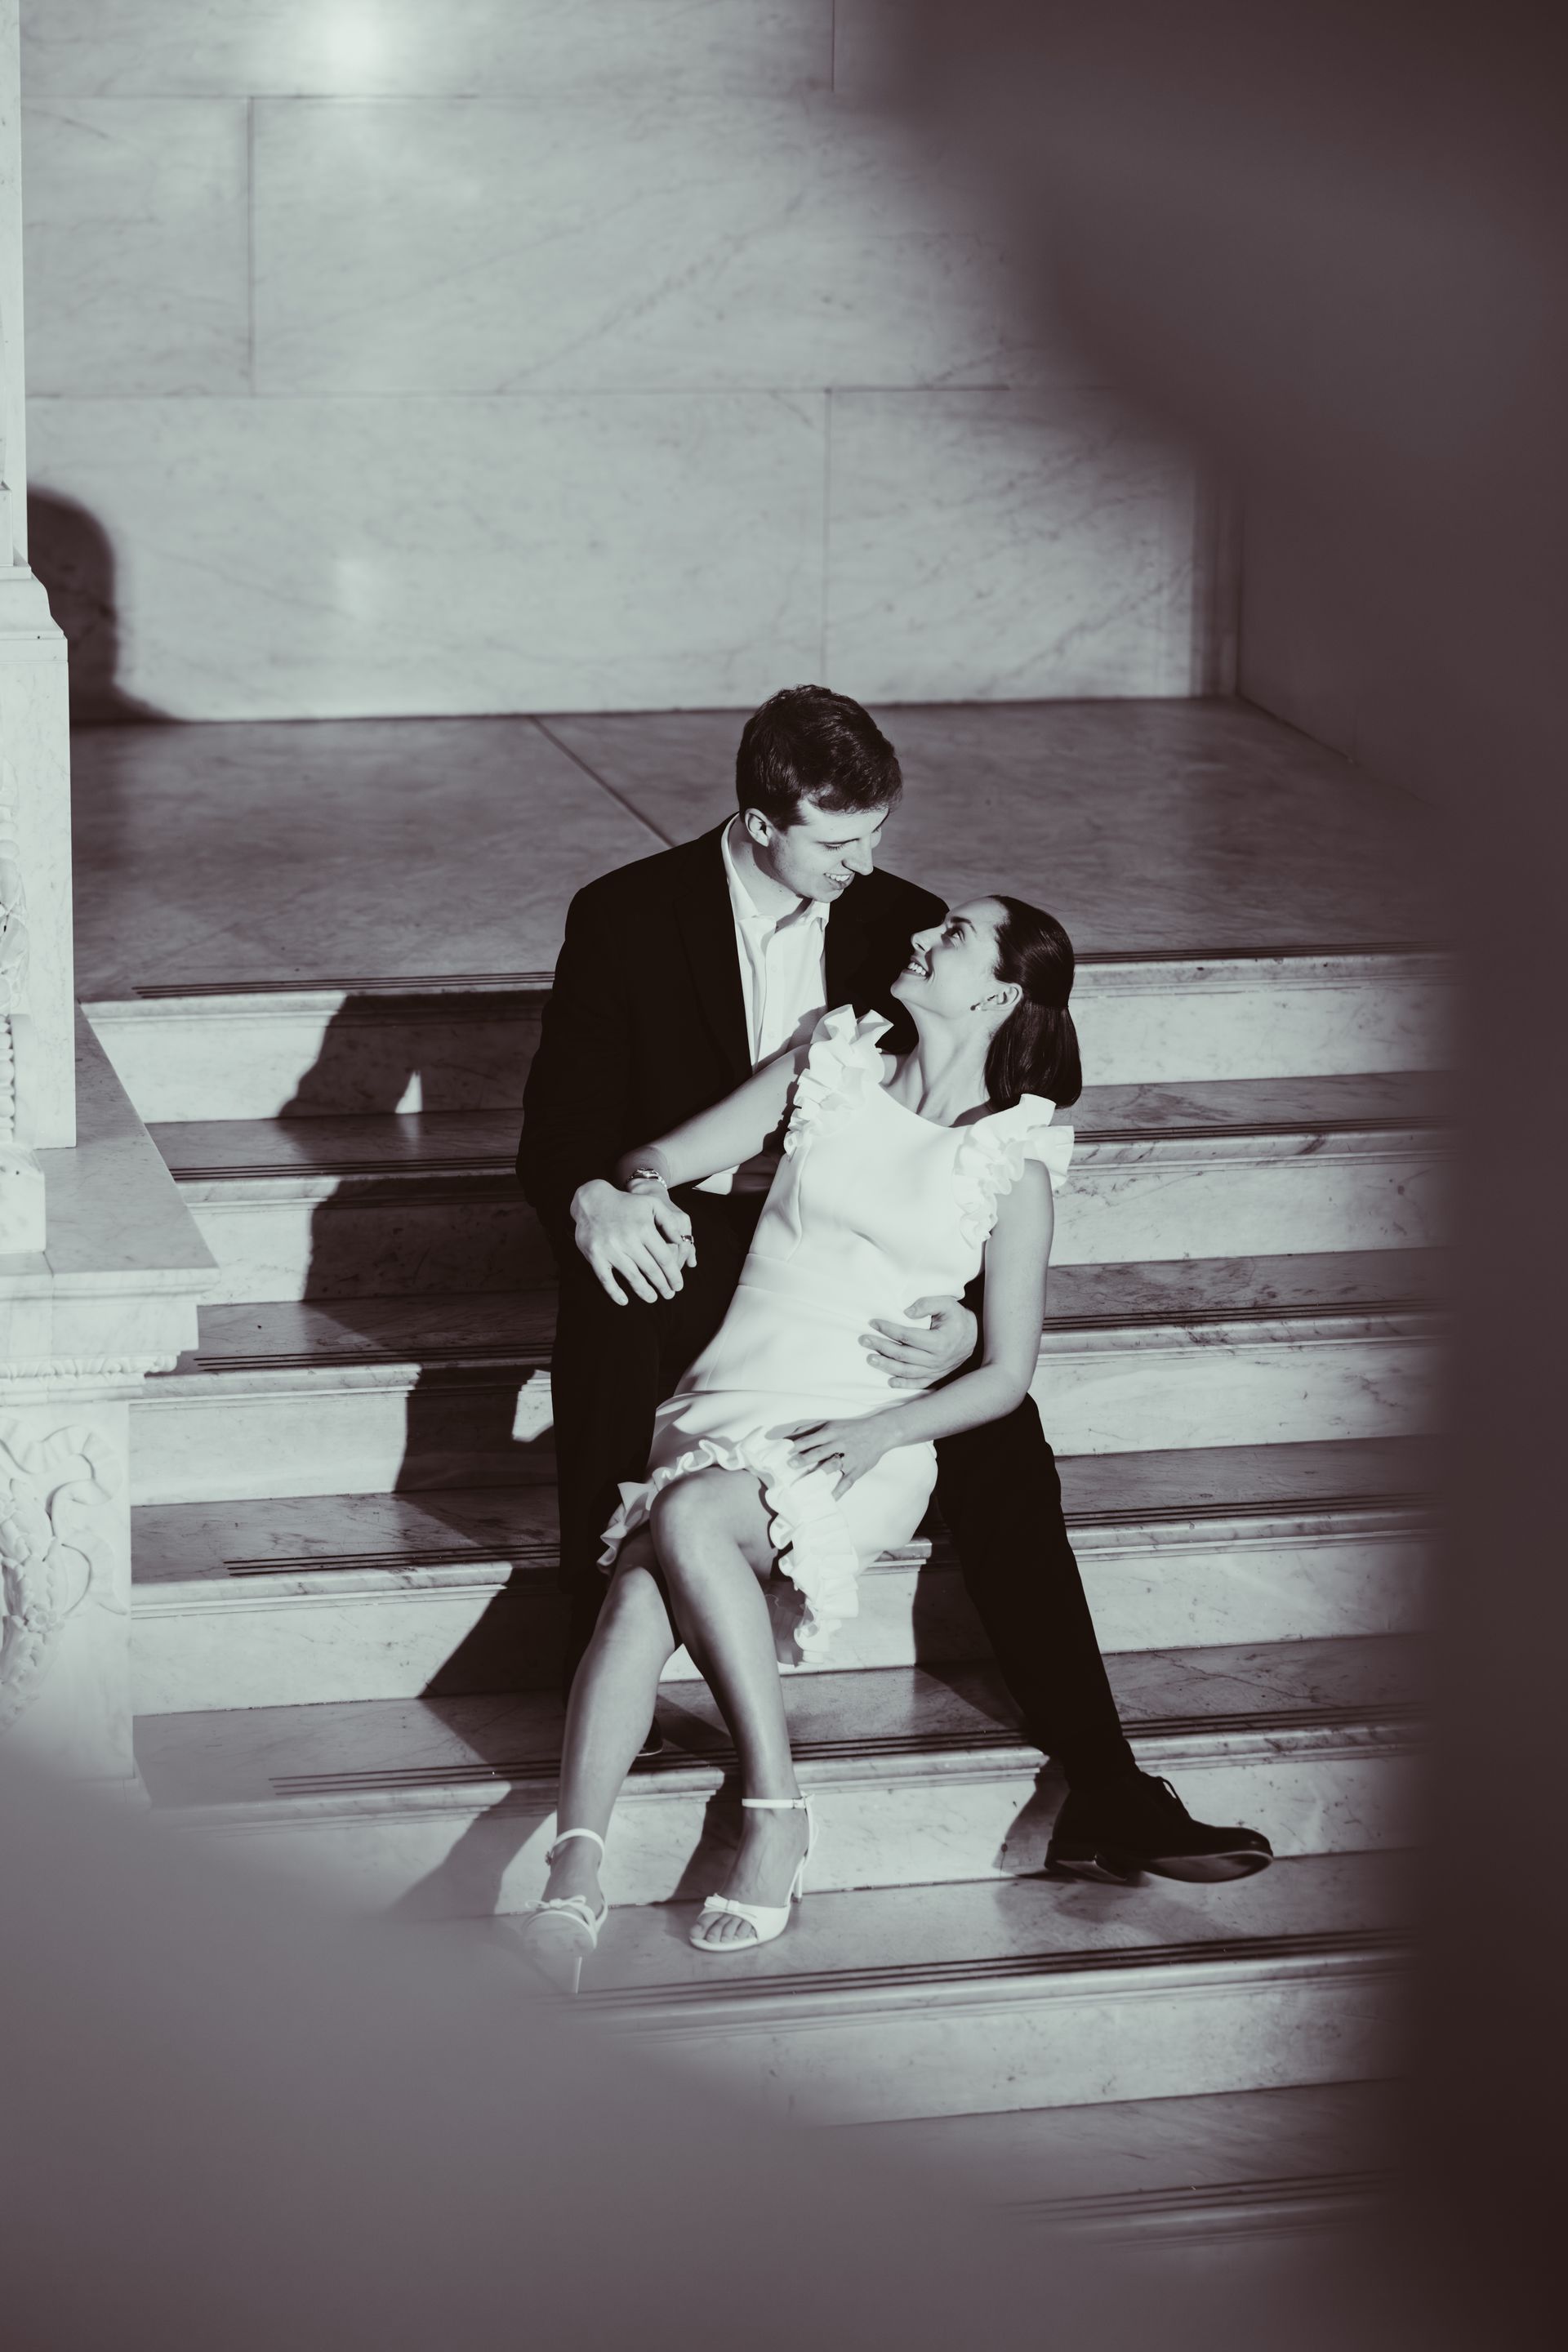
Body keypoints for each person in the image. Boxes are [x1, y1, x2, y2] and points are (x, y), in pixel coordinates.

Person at [515, 688, 1270, 1960]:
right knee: (611, 1294)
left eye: (877, 836)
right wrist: (603, 1196)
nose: (872, 874)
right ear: (759, 823)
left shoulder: (901, 929)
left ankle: (1106, 1778)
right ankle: (599, 1628)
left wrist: (967, 1329)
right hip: (708, 1245)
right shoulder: (626, 916)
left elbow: (959, 1148)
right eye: (834, 842)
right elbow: (571, 1130)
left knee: (1007, 1428)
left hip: (873, 1290)